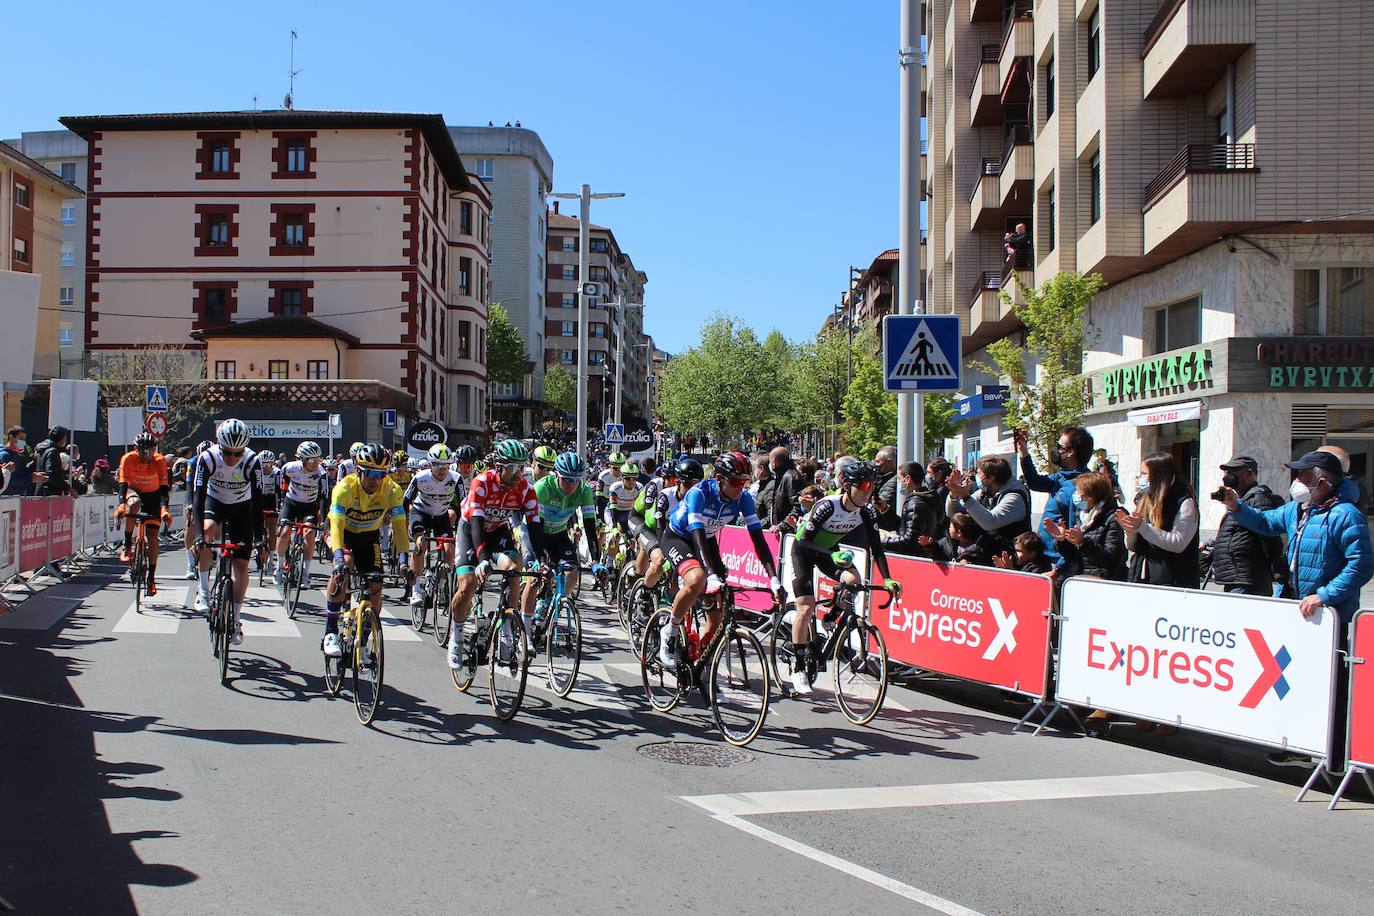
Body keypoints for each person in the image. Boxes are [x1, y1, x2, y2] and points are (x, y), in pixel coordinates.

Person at [1220, 449, 1374, 767]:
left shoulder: (1346, 514)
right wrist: (1237, 507)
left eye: (1303, 476)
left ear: (1322, 480)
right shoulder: (1299, 510)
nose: (1296, 481)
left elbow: (1362, 565)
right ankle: (1300, 742)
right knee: (1298, 680)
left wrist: (1325, 595)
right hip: (1300, 611)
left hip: (1331, 617)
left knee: (1329, 684)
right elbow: (1265, 521)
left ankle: (1330, 750)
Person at [657, 451, 783, 667]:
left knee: (716, 617)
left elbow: (758, 541)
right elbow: (696, 534)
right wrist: (711, 574)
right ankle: (670, 631)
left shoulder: (743, 499)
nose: (740, 488)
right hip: (679, 537)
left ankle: (700, 662)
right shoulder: (699, 493)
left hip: (706, 540)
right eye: (735, 482)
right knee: (697, 579)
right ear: (718, 479)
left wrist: (773, 579)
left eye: (744, 482)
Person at [786, 460, 901, 694]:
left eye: (873, 487)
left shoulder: (866, 510)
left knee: (853, 580)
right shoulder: (827, 506)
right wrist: (832, 554)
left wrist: (887, 578)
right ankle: (797, 668)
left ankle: (831, 617)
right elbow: (804, 542)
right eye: (865, 485)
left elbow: (876, 549)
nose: (869, 492)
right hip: (805, 551)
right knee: (806, 609)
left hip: (829, 552)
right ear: (847, 486)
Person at [444, 439, 546, 671]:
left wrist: (541, 559)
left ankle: (507, 632)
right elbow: (477, 523)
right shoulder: (481, 482)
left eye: (521, 468)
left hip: (497, 530)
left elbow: (535, 527)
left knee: (514, 568)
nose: (518, 474)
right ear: (498, 467)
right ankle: (457, 637)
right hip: (471, 530)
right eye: (512, 468)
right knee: (468, 584)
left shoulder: (526, 490)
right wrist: (481, 560)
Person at [322, 443, 409, 659]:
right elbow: (336, 526)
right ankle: (330, 631)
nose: (375, 479)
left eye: (380, 474)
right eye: (369, 473)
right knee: (345, 565)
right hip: (342, 532)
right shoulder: (344, 488)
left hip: (369, 536)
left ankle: (364, 638)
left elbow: (399, 526)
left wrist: (404, 561)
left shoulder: (392, 490)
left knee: (376, 583)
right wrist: (339, 557)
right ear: (358, 470)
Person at [191, 419, 266, 643]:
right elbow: (198, 498)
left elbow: (259, 502)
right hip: (215, 502)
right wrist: (197, 536)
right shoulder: (208, 458)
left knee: (242, 565)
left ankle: (235, 617)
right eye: (227, 452)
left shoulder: (252, 461)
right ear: (218, 444)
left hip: (242, 507)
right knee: (206, 533)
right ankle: (203, 591)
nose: (232, 458)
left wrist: (260, 538)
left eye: (237, 453)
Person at [528, 452, 601, 609]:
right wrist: (540, 559)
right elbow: (536, 527)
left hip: (558, 535)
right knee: (535, 578)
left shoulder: (584, 491)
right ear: (557, 475)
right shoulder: (543, 488)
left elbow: (590, 529)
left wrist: (596, 561)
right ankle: (525, 623)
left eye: (575, 480)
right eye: (566, 479)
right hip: (535, 533)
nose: (571, 484)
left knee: (572, 573)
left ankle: (554, 608)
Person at [1017, 426, 1092, 572]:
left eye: (1059, 447)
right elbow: (1034, 482)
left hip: (1058, 561)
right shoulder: (1061, 476)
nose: (1055, 451)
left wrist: (1059, 569)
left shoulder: (1080, 487)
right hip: (1044, 556)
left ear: (1071, 452)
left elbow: (1075, 530)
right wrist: (1024, 451)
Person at [1209, 456, 1288, 596]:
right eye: (1226, 472)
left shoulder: (1257, 497)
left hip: (1248, 581)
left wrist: (1278, 572)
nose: (1228, 476)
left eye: (1233, 471)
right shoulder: (1240, 500)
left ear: (1250, 473)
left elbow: (1269, 537)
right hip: (1237, 578)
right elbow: (1235, 534)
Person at [1119, 452, 1200, 588]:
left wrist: (1143, 527)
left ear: (1158, 475)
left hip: (1174, 582)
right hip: (1142, 578)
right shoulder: (1144, 499)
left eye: (1144, 474)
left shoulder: (1184, 502)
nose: (1140, 478)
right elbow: (1134, 547)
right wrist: (1130, 531)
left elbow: (1179, 543)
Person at [404, 443, 460, 608]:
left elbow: (462, 504)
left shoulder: (455, 479)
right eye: (437, 465)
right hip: (420, 513)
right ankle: (415, 589)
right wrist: (406, 521)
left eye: (445, 466)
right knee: (422, 543)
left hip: (441, 516)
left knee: (450, 547)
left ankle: (442, 585)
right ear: (430, 464)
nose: (442, 470)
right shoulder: (420, 477)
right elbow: (406, 500)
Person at [1045, 470, 1127, 581]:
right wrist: (1062, 540)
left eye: (1079, 492)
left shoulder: (1113, 517)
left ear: (1090, 496)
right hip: (1079, 578)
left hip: (1102, 582)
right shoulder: (1081, 515)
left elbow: (1111, 557)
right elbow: (1072, 555)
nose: (1075, 496)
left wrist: (1082, 542)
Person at [943, 455, 1032, 556]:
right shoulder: (985, 491)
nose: (977, 477)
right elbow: (953, 513)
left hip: (1010, 559)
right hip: (988, 553)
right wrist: (954, 494)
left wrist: (965, 496)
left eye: (979, 474)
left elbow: (990, 522)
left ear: (991, 478)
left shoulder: (1015, 497)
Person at [117, 433, 171, 595]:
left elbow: (163, 489)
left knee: (153, 536)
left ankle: (151, 577)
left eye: (150, 452)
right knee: (133, 504)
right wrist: (121, 506)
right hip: (134, 490)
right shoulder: (128, 459)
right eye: (143, 452)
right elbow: (123, 485)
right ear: (136, 450)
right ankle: (127, 545)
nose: (146, 456)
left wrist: (164, 509)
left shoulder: (159, 461)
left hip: (153, 495)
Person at [274, 441, 328, 587]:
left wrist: (323, 520)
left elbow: (323, 498)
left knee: (309, 533)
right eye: (312, 460)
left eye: (318, 459)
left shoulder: (321, 473)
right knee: (284, 532)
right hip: (291, 503)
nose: (316, 463)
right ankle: (279, 567)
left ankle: (305, 574)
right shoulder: (289, 468)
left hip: (309, 506)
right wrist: (281, 502)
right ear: (301, 459)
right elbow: (281, 485)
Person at [883, 462, 937, 555]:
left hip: (915, 558)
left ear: (907, 479)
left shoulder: (916, 503)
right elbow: (904, 526)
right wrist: (885, 509)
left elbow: (910, 540)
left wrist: (882, 542)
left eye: (899, 479)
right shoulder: (920, 499)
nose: (899, 482)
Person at [917, 512, 997, 566]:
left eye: (951, 527)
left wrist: (970, 564)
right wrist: (930, 545)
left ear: (959, 533)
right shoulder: (946, 542)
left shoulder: (978, 549)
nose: (949, 529)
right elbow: (939, 555)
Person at [0, 425, 41, 496]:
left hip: (17, 497)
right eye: (21, 439)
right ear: (11, 437)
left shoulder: (18, 455)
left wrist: (34, 463)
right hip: (7, 498)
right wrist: (31, 479)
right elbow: (9, 480)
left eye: (24, 439)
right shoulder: (4, 455)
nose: (23, 442)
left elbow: (22, 472)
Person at [35, 426, 71, 496]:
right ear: (62, 438)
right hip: (49, 494)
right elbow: (52, 474)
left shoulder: (41, 450)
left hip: (41, 491)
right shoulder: (53, 452)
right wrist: (68, 488)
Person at [871, 446, 900, 532]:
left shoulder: (894, 481)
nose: (875, 465)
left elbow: (880, 503)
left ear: (889, 462)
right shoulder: (883, 479)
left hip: (887, 528)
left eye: (878, 461)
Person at [925, 457, 953, 536]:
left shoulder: (941, 491)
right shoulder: (948, 487)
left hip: (940, 532)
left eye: (929, 472)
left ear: (939, 473)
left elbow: (938, 517)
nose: (927, 476)